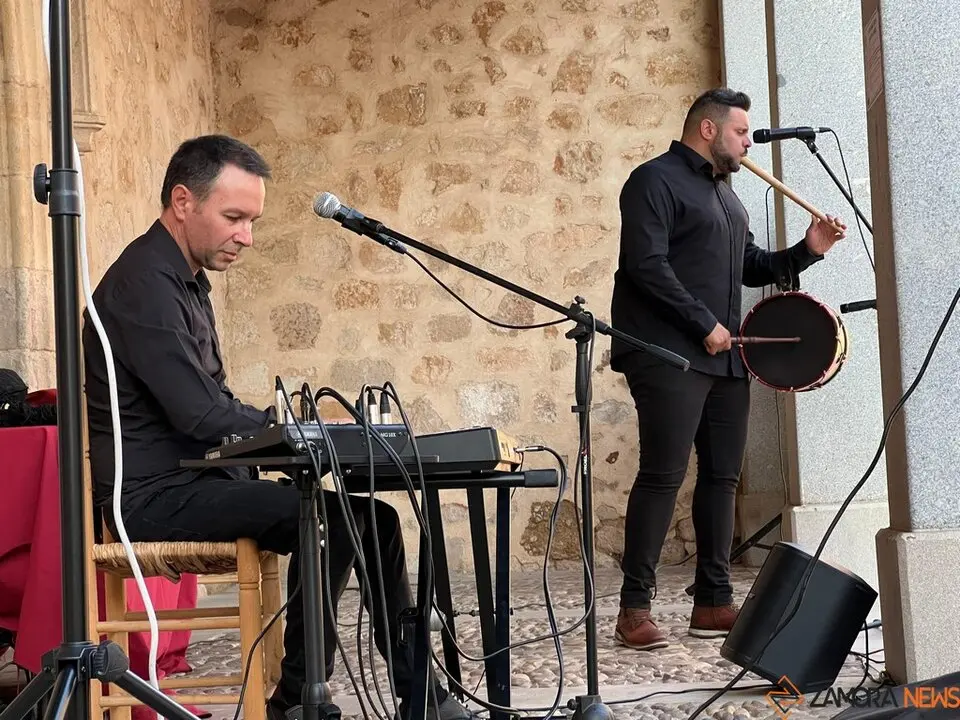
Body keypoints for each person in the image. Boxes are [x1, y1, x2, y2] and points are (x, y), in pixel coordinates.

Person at [82, 135, 473, 720]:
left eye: (251, 221)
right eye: (234, 217)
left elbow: (210, 403)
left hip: (195, 481)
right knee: (335, 520)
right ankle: (305, 700)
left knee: (374, 519)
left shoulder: (182, 278)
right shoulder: (144, 284)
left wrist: (300, 433)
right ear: (183, 201)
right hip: (152, 496)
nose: (247, 236)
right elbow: (199, 414)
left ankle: (406, 692)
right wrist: (297, 427)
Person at [608, 89, 846, 650]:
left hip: (725, 356)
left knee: (722, 479)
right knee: (663, 475)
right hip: (667, 351)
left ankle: (712, 601)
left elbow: (752, 267)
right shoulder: (653, 181)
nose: (748, 141)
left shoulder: (728, 199)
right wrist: (701, 323)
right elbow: (645, 265)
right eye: (741, 131)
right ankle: (632, 608)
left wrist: (806, 250)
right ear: (709, 130)